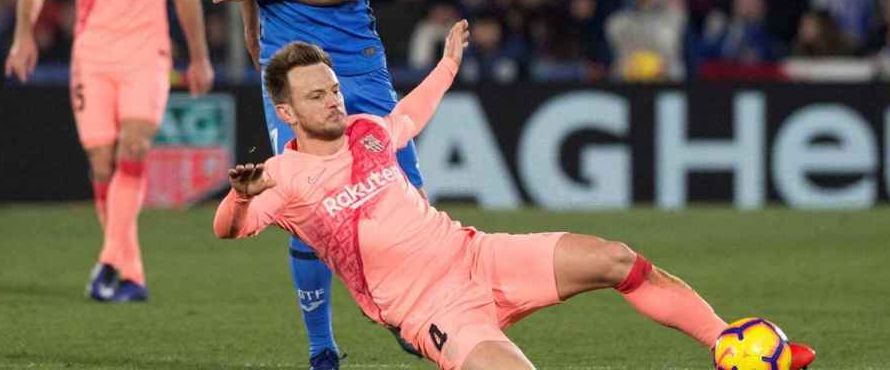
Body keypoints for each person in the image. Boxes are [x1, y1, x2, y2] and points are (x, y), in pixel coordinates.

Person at [213, 20, 817, 370]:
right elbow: (229, 229)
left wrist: (448, 64)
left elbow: (408, 117)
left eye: (334, 88)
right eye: (317, 96)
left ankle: (728, 345)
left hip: (478, 255)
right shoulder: (283, 180)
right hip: (433, 311)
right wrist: (241, 197)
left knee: (615, 258)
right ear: (286, 110)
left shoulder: (367, 132)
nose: (334, 101)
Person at [203, 0, 424, 366]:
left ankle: (414, 312)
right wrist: (252, 35)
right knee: (305, 206)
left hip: (356, 66)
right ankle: (321, 348)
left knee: (408, 196)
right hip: (289, 74)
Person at [4, 0, 214, 302]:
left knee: (135, 147)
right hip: (92, 55)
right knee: (102, 162)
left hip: (147, 51)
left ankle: (107, 265)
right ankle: (129, 270)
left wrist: (199, 55)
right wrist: (22, 37)